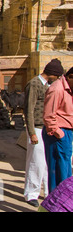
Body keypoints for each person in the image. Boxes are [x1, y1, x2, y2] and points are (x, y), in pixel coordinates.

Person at [22, 59, 63, 207]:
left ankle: (47, 193)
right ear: (52, 74)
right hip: (37, 128)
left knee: (46, 163)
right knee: (36, 162)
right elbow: (29, 110)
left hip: (46, 129)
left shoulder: (48, 85)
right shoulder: (34, 84)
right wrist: (31, 132)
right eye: (57, 76)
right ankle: (31, 194)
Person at [43, 66, 73, 194]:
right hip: (58, 134)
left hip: (67, 132)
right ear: (70, 77)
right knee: (58, 174)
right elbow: (49, 115)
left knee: (66, 173)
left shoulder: (69, 89)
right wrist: (59, 134)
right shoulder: (57, 89)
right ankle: (55, 205)